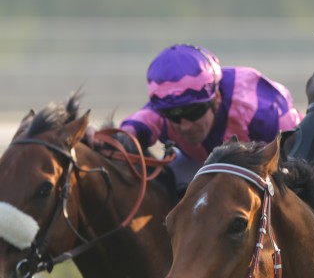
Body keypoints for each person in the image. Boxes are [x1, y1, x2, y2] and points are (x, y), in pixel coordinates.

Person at [120, 44, 302, 194]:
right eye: (172, 116)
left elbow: (300, 151)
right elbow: (124, 136)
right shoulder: (160, 110)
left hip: (272, 166)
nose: (185, 126)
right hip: (197, 163)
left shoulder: (259, 107)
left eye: (194, 112)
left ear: (216, 98)